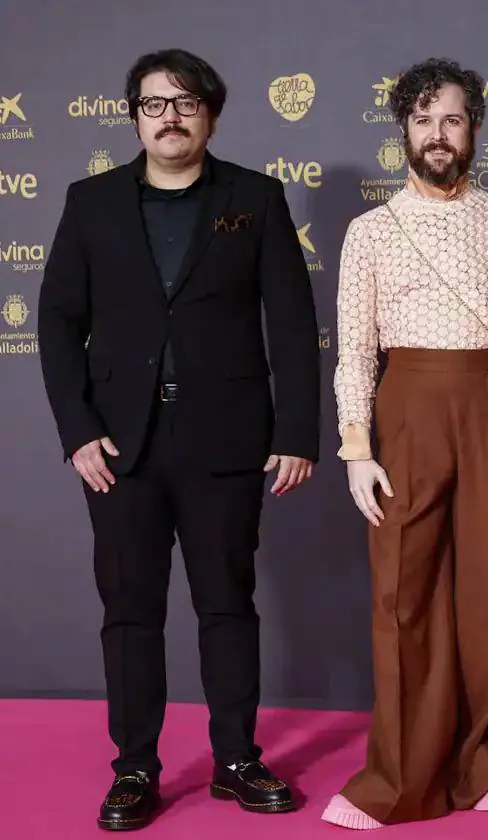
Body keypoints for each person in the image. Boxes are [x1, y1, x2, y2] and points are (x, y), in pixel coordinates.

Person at [37, 49, 321, 831]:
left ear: (212, 115)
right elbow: (58, 321)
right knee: (129, 612)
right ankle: (134, 767)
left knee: (227, 605)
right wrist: (77, 431)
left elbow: (292, 324)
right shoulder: (89, 201)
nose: (171, 115)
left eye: (187, 102)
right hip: (120, 447)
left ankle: (236, 759)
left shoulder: (254, 198)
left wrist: (297, 430)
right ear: (134, 115)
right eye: (156, 103)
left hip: (226, 441)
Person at [321, 58, 488, 830]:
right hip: (406, 416)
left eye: (451, 119)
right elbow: (354, 350)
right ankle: (398, 776)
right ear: (403, 131)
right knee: (404, 599)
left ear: (475, 129)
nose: (437, 134)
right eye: (423, 120)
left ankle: (485, 761)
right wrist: (357, 447)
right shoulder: (369, 232)